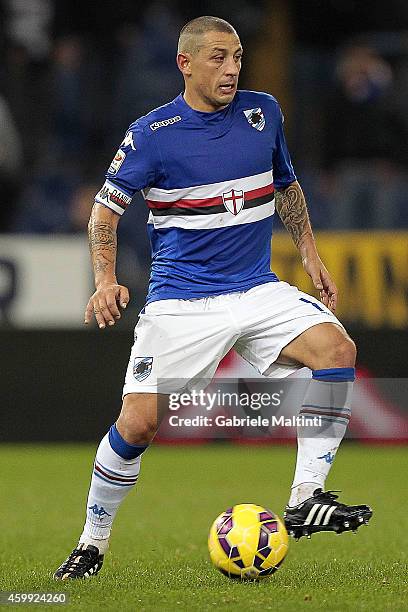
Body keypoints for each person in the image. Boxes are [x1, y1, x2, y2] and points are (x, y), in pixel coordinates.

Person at [54, 16, 372, 580]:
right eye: (218, 57)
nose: (231, 69)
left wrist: (310, 251)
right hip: (182, 301)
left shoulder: (263, 112)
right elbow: (105, 212)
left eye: (237, 57)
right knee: (138, 425)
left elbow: (287, 185)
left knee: (336, 350)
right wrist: (105, 280)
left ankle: (305, 499)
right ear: (185, 63)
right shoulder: (153, 134)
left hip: (255, 287)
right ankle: (91, 543)